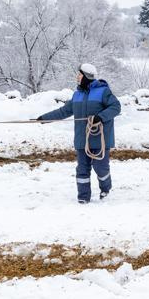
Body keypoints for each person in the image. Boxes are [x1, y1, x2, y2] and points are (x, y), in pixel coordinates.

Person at [36, 62, 121, 203]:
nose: (77, 77)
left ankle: (106, 189)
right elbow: (63, 111)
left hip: (101, 139)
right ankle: (83, 197)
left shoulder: (103, 91)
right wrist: (44, 118)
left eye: (80, 75)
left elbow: (116, 107)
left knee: (100, 168)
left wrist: (100, 117)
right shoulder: (77, 95)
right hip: (82, 140)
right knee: (82, 169)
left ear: (86, 76)